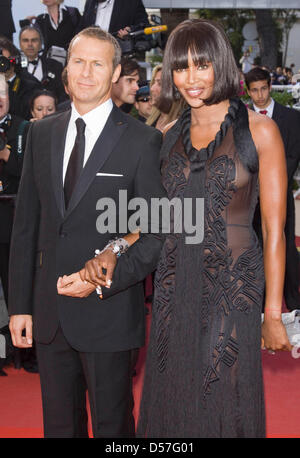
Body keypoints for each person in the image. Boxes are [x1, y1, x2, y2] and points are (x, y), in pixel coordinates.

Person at [8, 26, 166, 438]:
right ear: (65, 69)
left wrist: (102, 278)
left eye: (98, 63)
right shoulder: (41, 133)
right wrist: (20, 306)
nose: (86, 72)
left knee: (114, 427)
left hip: (108, 313)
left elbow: (154, 233)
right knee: (59, 428)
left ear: (115, 73)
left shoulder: (142, 141)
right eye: (78, 61)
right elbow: (26, 226)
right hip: (48, 314)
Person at [137, 18, 289, 437]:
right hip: (173, 282)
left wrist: (272, 313)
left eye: (201, 65)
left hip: (234, 286)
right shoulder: (167, 136)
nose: (191, 79)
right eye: (181, 68)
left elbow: (275, 231)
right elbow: (152, 217)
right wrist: (111, 252)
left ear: (220, 65)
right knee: (173, 392)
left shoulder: (260, 131)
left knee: (225, 395)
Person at [245, 66, 300, 311]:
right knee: (254, 245)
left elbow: (293, 155)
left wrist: (274, 182)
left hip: (280, 194)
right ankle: (258, 299)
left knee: (285, 244)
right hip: (250, 196)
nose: (259, 95)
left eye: (263, 89)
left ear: (270, 86)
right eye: (254, 90)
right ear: (248, 91)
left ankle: (293, 299)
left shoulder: (291, 117)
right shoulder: (240, 119)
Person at [0, 80, 29, 375]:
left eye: (2, 94)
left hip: (13, 219)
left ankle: (22, 350)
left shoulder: (24, 128)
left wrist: (6, 155)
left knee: (14, 288)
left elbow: (25, 171)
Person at [19, 26, 67, 103]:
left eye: (34, 40)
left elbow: (63, 94)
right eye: (25, 40)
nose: (30, 44)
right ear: (20, 44)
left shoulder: (56, 66)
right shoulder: (14, 68)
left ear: (41, 44)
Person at [0, 36, 41, 120]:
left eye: (5, 61)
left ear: (15, 60)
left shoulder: (30, 87)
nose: (2, 65)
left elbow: (23, 115)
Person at [146, 64, 185, 132]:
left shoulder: (184, 125)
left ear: (175, 90)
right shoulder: (152, 119)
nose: (152, 88)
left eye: (160, 84)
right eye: (153, 83)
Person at [80, 0, 149, 37]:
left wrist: (130, 31)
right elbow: (83, 26)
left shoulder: (131, 2)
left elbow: (144, 25)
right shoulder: (90, 2)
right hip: (93, 53)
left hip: (120, 56)